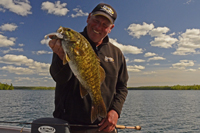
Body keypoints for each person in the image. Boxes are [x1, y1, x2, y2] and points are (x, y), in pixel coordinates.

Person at [48, 3, 128, 133]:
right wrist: (61, 57)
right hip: (68, 126)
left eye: (104, 25)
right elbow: (60, 78)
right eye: (96, 21)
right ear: (88, 18)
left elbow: (122, 87)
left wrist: (115, 111)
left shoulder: (117, 54)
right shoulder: (67, 44)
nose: (98, 27)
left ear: (111, 28)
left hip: (103, 127)